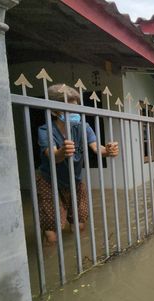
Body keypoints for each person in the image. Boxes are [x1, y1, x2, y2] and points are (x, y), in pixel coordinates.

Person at [37, 84, 119, 244]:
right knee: (52, 235)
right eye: (68, 109)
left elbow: (98, 148)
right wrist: (62, 152)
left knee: (80, 225)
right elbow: (52, 156)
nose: (74, 113)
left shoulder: (83, 127)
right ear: (54, 111)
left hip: (74, 181)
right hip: (49, 181)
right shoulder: (45, 130)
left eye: (75, 109)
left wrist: (109, 150)